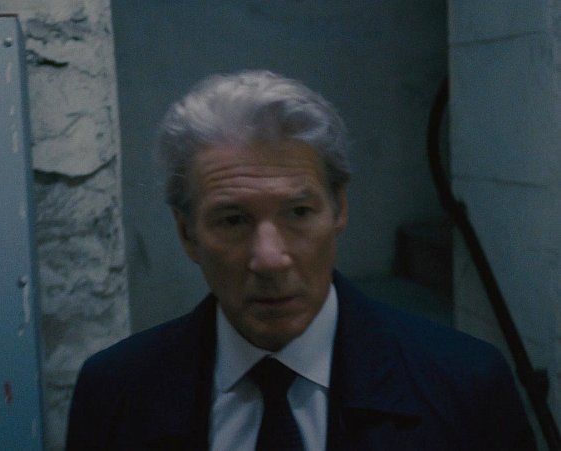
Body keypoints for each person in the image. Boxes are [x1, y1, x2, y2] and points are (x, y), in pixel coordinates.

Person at [66, 70, 535, 450]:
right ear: (187, 233)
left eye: (298, 213)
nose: (270, 259)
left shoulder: (466, 386)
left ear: (339, 209)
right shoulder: (114, 392)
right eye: (232, 220)